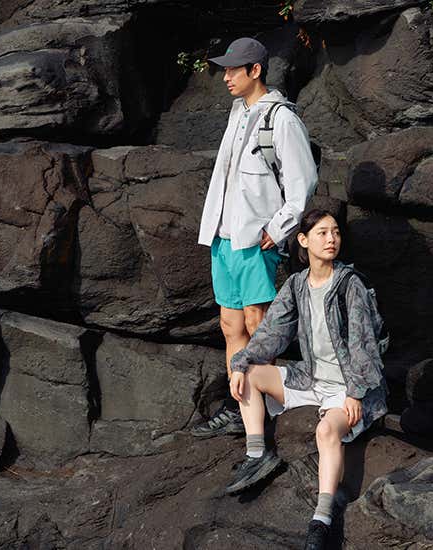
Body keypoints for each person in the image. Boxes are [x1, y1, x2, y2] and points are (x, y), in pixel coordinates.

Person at [225, 209, 388, 550]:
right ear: (303, 240)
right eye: (322, 233)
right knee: (250, 375)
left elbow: (364, 344)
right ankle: (257, 455)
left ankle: (322, 519)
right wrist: (241, 362)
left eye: (336, 232)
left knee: (326, 431)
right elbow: (272, 333)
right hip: (310, 379)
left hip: (347, 388)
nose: (331, 239)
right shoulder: (297, 284)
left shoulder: (350, 284)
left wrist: (356, 393)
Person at [193, 37, 318, 438]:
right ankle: (240, 404)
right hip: (223, 236)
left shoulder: (282, 119)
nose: (226, 77)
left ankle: (264, 409)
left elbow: (303, 182)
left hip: (254, 239)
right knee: (230, 325)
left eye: (234, 69)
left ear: (256, 70)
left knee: (256, 323)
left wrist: (277, 228)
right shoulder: (237, 113)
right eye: (226, 69)